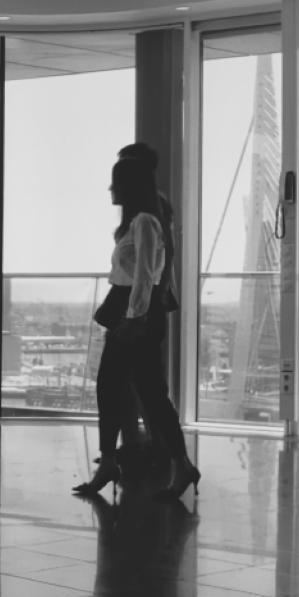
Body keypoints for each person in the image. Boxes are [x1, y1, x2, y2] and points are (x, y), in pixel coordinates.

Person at [75, 158, 199, 500]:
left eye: (116, 182)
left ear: (129, 187)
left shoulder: (145, 222)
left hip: (134, 311)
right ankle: (165, 463)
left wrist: (133, 318)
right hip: (130, 308)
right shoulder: (139, 222)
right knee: (131, 389)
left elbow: (146, 275)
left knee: (139, 391)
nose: (111, 189)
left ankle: (166, 463)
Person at [107, 142, 176, 463]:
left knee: (140, 383)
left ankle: (147, 445)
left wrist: (144, 307)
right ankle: (138, 445)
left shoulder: (149, 210)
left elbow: (156, 261)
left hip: (140, 301)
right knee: (135, 382)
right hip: (136, 297)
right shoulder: (143, 209)